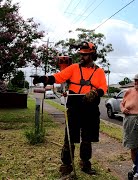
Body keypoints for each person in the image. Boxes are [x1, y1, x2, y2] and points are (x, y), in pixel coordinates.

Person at [33, 41, 107, 176]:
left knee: (87, 138)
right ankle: (66, 166)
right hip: (74, 105)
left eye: (85, 55)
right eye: (81, 54)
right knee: (69, 137)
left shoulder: (99, 71)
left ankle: (85, 164)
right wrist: (44, 78)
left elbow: (103, 88)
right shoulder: (73, 68)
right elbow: (58, 77)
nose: (82, 57)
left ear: (92, 55)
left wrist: (96, 93)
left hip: (90, 107)